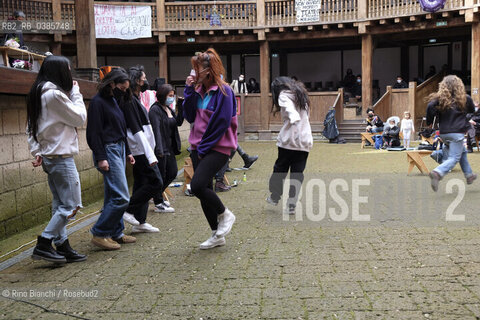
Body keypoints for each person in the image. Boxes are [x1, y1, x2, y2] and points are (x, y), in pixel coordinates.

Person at [26, 55, 87, 264]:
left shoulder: (38, 92)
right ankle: (44, 243)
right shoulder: (54, 95)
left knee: (59, 204)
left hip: (50, 157)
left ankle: (62, 245)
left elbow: (30, 127)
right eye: (68, 70)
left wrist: (37, 152)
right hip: (61, 158)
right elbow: (79, 117)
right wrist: (76, 93)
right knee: (71, 206)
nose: (70, 74)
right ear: (60, 72)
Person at [183, 48, 237, 249]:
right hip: (199, 147)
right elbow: (189, 116)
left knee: (196, 186)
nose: (193, 73)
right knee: (203, 189)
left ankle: (225, 215)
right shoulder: (198, 91)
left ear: (208, 70)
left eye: (196, 69)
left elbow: (222, 122)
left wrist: (203, 147)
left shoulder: (224, 91)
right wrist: (188, 91)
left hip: (218, 147)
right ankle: (216, 234)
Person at [87, 69, 136, 250]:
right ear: (112, 84)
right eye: (121, 88)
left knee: (112, 196)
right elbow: (94, 132)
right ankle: (100, 233)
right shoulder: (98, 103)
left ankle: (116, 232)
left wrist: (128, 151)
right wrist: (101, 157)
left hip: (119, 148)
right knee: (122, 197)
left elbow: (120, 129)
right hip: (108, 150)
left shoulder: (113, 101)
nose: (123, 91)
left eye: (125, 89)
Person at [121, 66, 162, 233]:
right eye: (144, 78)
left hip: (143, 149)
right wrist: (150, 154)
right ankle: (129, 209)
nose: (146, 80)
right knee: (156, 182)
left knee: (141, 183)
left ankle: (140, 221)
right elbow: (136, 130)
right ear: (137, 80)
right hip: (141, 150)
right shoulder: (129, 101)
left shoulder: (136, 98)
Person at [266, 77, 313, 215]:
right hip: (304, 140)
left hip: (289, 141)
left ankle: (275, 197)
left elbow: (288, 107)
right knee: (297, 173)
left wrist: (293, 117)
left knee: (279, 169)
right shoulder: (301, 95)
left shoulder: (283, 95)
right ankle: (291, 205)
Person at [427, 75, 477, 192]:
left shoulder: (440, 100)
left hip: (444, 134)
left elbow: (429, 106)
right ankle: (438, 172)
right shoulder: (465, 98)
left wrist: (430, 121)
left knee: (462, 151)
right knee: (454, 157)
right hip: (457, 133)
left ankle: (469, 175)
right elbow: (472, 111)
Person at [149, 84, 184, 213]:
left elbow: (178, 122)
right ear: (163, 95)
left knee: (172, 173)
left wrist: (181, 105)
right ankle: (158, 202)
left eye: (172, 95)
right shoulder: (155, 110)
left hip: (170, 147)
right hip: (161, 148)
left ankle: (157, 196)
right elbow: (156, 130)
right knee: (161, 175)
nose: (171, 98)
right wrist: (159, 149)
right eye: (170, 95)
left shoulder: (168, 109)